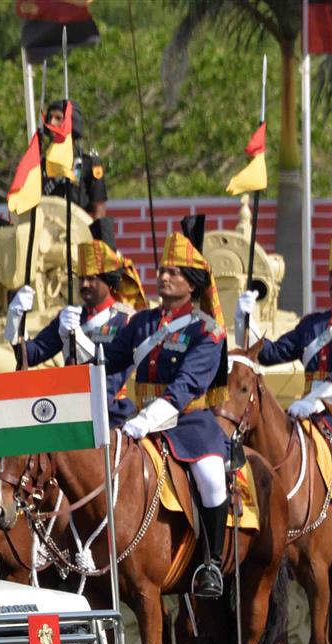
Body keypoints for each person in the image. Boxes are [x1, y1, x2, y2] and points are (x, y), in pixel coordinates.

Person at [103, 215, 230, 599]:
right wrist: (74, 340)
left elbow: (189, 384)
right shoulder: (140, 323)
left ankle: (210, 561)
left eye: (174, 272)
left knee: (210, 478)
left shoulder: (208, 331)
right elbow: (109, 363)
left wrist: (149, 418)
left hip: (189, 424)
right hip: (135, 419)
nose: (164, 276)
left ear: (191, 283)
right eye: (162, 270)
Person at [6, 218, 144, 426]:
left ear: (108, 281)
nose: (85, 284)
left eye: (93, 279)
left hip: (112, 416)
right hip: (69, 411)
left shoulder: (127, 320)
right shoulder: (70, 316)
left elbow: (110, 375)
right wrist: (16, 318)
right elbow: (29, 355)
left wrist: (76, 338)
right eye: (82, 278)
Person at [239, 230, 332, 432]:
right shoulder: (312, 324)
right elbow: (269, 354)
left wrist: (314, 400)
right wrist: (245, 320)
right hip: (308, 411)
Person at [41, 98, 107, 219]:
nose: (52, 123)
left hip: (80, 230)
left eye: (58, 118)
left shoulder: (89, 162)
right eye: (50, 118)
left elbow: (99, 209)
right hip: (49, 229)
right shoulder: (41, 164)